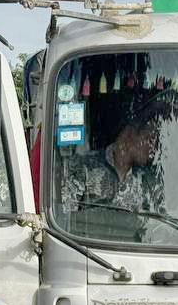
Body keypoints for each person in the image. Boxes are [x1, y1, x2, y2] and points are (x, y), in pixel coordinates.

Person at [57, 97, 165, 237]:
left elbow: (162, 224)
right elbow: (65, 220)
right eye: (150, 139)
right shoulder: (84, 167)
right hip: (89, 253)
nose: (153, 147)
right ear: (130, 133)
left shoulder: (148, 181)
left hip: (138, 253)